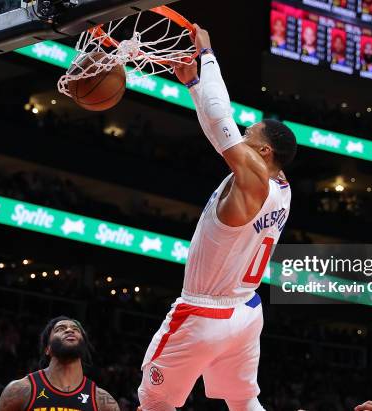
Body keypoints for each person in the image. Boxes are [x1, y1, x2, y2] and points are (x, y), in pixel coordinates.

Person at [137, 24, 297, 411]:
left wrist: (207, 56)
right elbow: (216, 127)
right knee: (243, 400)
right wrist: (192, 83)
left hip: (204, 311)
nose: (240, 135)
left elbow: (219, 117)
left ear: (262, 151)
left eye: (249, 134)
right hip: (245, 311)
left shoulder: (254, 181)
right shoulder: (282, 187)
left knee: (153, 400)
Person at [0, 316, 120, 411]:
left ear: (83, 346)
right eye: (60, 329)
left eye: (75, 329)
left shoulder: (103, 401)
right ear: (48, 348)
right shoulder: (19, 390)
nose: (69, 330)